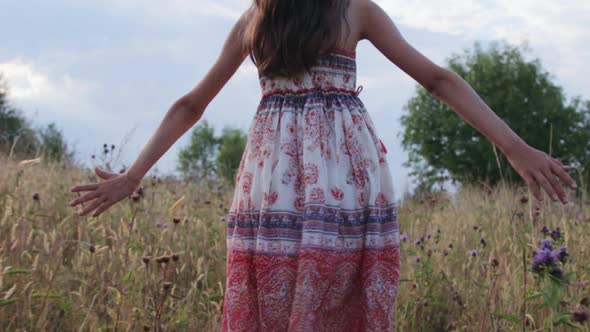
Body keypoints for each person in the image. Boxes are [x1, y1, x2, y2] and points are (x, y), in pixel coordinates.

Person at [69, 0, 577, 330]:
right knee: (339, 287)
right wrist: (513, 146)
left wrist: (135, 176)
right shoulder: (353, 9)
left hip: (273, 176)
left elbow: (192, 104)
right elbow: (438, 80)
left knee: (277, 292)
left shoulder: (256, 18)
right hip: (342, 172)